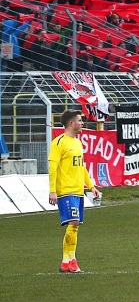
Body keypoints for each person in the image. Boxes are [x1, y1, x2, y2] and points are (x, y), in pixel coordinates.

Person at [48, 109, 101, 273]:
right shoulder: (58, 143)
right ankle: (72, 260)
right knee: (74, 223)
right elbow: (53, 167)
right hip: (66, 191)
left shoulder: (78, 143)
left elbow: (82, 167)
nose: (82, 123)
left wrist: (91, 186)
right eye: (80, 120)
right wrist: (52, 191)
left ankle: (66, 263)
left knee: (75, 226)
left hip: (78, 192)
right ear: (71, 123)